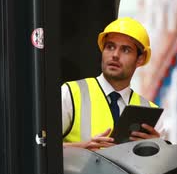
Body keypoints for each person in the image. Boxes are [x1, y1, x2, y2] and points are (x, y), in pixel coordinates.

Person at [62, 17, 161, 150]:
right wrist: (80, 149)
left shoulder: (151, 112)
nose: (115, 55)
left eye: (125, 50)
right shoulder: (71, 94)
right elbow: (42, 147)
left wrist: (158, 148)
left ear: (140, 59)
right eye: (110, 47)